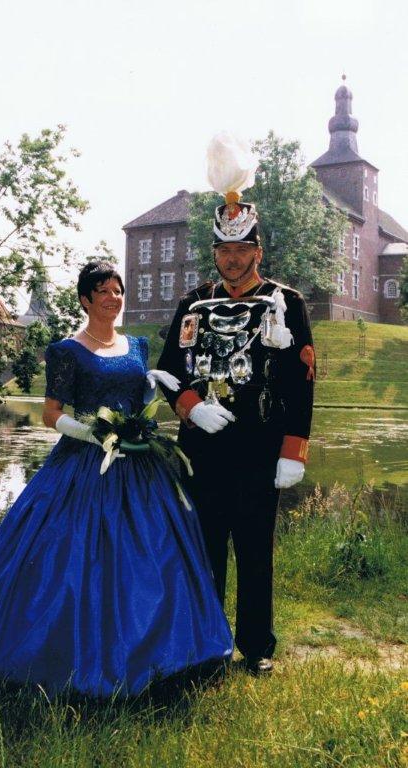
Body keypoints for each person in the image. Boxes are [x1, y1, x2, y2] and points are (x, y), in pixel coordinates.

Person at [0, 261, 233, 698]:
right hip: (83, 463)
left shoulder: (137, 346)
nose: (113, 298)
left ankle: (166, 646)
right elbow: (51, 414)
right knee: (70, 553)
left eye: (118, 291)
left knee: (157, 549)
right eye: (103, 291)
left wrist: (150, 390)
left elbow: (136, 399)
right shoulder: (67, 350)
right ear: (85, 299)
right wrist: (92, 434)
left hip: (138, 465)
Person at [157, 198, 315, 676]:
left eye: (241, 249)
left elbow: (302, 381)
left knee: (254, 548)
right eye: (224, 250)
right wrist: (191, 407)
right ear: (214, 252)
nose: (232, 259)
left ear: (257, 252)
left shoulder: (285, 303)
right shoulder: (193, 303)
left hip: (259, 447)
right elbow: (169, 368)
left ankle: (255, 644)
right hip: (202, 448)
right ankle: (207, 644)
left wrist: (293, 450)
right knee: (203, 548)